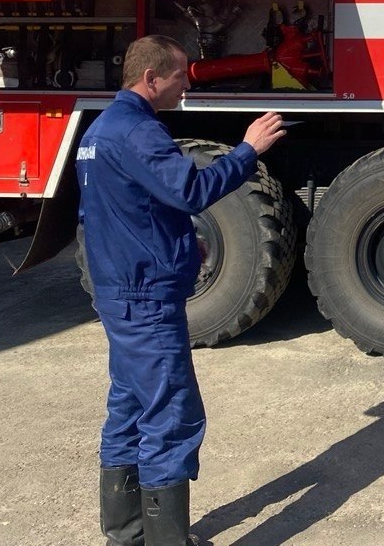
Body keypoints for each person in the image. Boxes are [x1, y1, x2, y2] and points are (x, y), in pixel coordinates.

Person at [78, 35, 285, 545]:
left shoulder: (103, 129)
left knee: (129, 407)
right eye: (178, 76)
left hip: (121, 290)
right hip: (146, 298)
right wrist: (247, 151)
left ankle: (126, 535)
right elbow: (191, 191)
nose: (185, 85)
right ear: (151, 79)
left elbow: (126, 209)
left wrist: (181, 243)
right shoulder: (139, 132)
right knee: (171, 415)